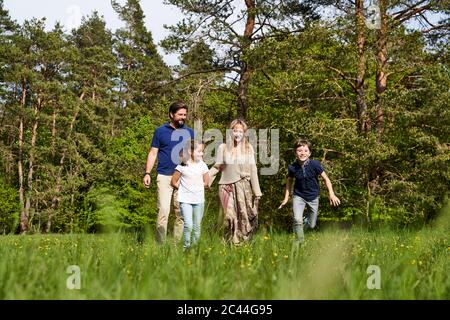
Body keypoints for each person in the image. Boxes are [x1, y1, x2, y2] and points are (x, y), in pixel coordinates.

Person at [143, 101, 194, 243]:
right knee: (163, 211)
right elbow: (153, 153)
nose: (183, 117)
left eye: (185, 115)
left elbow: (195, 155)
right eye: (180, 115)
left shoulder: (190, 132)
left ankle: (177, 246)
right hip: (164, 176)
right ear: (171, 115)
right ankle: (160, 245)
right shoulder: (160, 131)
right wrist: (147, 173)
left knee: (181, 213)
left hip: (183, 178)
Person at [209, 119, 262, 245]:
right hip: (226, 187)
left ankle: (239, 243)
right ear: (230, 132)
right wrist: (205, 180)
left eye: (240, 131)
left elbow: (253, 169)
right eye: (234, 130)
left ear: (244, 133)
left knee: (243, 216)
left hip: (244, 187)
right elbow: (217, 167)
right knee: (229, 217)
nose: (237, 133)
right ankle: (226, 242)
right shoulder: (223, 147)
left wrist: (257, 191)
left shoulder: (248, 148)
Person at [278, 139, 340, 244]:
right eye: (299, 150)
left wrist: (332, 194)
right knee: (297, 220)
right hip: (299, 196)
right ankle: (300, 241)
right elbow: (289, 183)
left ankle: (305, 221)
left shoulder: (315, 164)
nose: (303, 153)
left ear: (310, 153)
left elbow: (326, 179)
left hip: (313, 197)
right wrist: (286, 198)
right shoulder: (292, 167)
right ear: (295, 152)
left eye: (306, 151)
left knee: (312, 225)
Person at [171, 139, 209, 249]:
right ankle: (186, 247)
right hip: (185, 200)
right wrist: (184, 188)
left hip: (199, 200)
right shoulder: (182, 165)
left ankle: (194, 248)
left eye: (202, 151)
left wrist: (196, 187)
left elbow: (206, 182)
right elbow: (173, 181)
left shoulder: (203, 165)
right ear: (191, 151)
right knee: (188, 225)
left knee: (197, 226)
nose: (201, 153)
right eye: (199, 151)